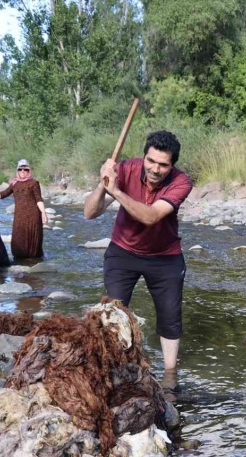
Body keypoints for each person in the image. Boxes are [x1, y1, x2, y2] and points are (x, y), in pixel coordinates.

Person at [84, 130, 193, 378]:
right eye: (151, 161)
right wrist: (103, 185)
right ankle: (113, 369)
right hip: (122, 253)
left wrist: (117, 192)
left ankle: (169, 376)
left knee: (170, 319)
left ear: (172, 165)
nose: (155, 169)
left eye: (163, 164)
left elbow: (150, 217)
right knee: (113, 313)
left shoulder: (181, 182)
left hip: (165, 257)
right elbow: (90, 213)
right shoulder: (126, 168)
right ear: (144, 156)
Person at [0, 159, 48, 259]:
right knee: (18, 236)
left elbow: (38, 199)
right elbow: (3, 194)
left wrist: (43, 213)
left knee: (33, 237)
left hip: (33, 216)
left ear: (28, 170)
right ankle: (20, 257)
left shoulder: (34, 183)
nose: (22, 171)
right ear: (17, 170)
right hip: (19, 216)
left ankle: (34, 258)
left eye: (25, 169)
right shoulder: (14, 184)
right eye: (20, 169)